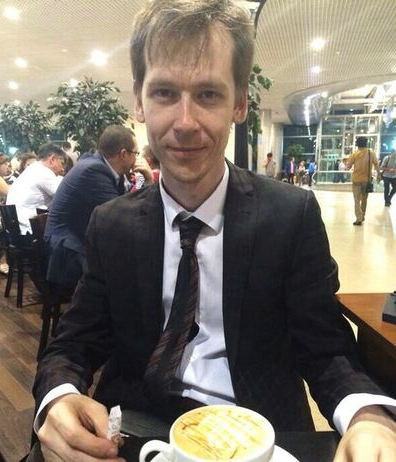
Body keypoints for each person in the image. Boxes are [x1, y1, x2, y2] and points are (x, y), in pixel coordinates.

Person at [31, 2, 396, 462]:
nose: (185, 123)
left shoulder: (290, 216)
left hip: (261, 436)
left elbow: (327, 351)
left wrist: (368, 417)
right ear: (139, 102)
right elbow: (74, 342)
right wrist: (59, 397)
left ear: (239, 103)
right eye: (164, 93)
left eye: (207, 94)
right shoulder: (111, 223)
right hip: (136, 432)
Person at [44, 125, 152, 289]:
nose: (137, 159)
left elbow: (124, 204)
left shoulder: (97, 165)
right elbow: (123, 216)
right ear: (124, 154)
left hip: (75, 242)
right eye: (136, 154)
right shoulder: (94, 170)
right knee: (128, 274)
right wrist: (149, 181)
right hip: (68, 253)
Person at [6, 143, 65, 234]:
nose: (62, 169)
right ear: (52, 159)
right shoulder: (43, 172)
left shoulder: (32, 169)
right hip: (31, 230)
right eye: (62, 163)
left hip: (18, 229)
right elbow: (65, 197)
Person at [347, 137, 381, 226]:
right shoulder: (371, 153)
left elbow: (348, 167)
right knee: (364, 200)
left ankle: (359, 218)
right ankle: (362, 216)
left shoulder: (354, 154)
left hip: (356, 180)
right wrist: (379, 175)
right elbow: (376, 164)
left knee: (357, 200)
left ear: (357, 144)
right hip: (367, 180)